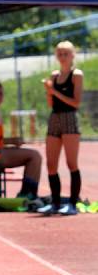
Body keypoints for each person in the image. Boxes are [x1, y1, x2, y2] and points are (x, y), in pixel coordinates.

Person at [39, 41, 84, 215]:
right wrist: (48, 92)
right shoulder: (55, 75)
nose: (62, 57)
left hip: (69, 118)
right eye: (59, 53)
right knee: (51, 165)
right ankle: (55, 202)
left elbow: (76, 102)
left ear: (72, 55)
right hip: (55, 117)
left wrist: (54, 91)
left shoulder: (76, 75)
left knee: (71, 163)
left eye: (66, 53)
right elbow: (51, 103)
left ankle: (73, 203)